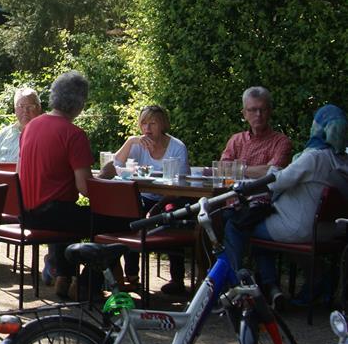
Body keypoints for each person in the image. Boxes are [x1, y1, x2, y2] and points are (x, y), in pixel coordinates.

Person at [223, 104, 348, 309]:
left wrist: (251, 181)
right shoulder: (342, 160)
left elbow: (277, 181)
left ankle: (239, 286)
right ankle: (274, 288)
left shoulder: (314, 157)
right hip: (328, 229)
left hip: (297, 226)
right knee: (254, 221)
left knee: (237, 224)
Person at [17, 71, 96, 300]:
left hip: (28, 214)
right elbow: (86, 189)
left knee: (69, 212)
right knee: (116, 222)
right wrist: (108, 173)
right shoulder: (74, 134)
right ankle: (88, 282)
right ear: (80, 104)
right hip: (55, 214)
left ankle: (64, 276)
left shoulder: (30, 127)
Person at [101, 104, 192, 294]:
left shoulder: (177, 147)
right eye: (143, 124)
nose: (147, 129)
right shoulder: (139, 145)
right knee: (131, 216)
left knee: (171, 214)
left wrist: (158, 206)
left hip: (170, 197)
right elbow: (114, 166)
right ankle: (131, 277)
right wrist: (131, 141)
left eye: (152, 123)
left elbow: (180, 186)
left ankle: (177, 279)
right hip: (143, 197)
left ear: (163, 125)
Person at [222, 86, 294, 177]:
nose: (258, 114)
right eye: (252, 110)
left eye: (263, 109)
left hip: (266, 191)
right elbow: (223, 168)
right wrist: (257, 170)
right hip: (234, 190)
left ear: (270, 112)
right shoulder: (236, 140)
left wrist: (236, 169)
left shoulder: (281, 142)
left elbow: (273, 172)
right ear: (244, 114)